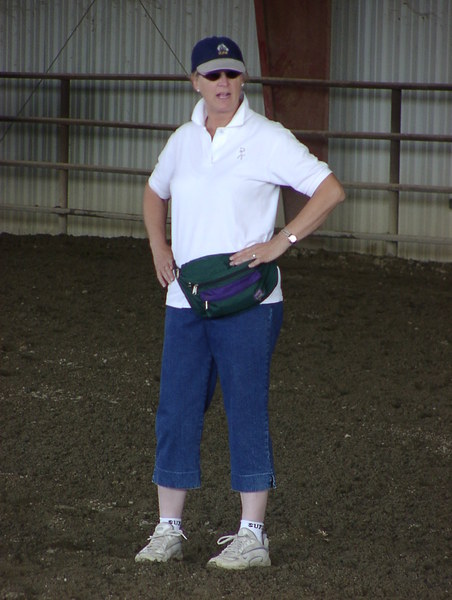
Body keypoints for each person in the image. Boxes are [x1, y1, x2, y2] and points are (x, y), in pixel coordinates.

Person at [135, 36, 345, 570]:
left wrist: (282, 241)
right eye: (213, 75)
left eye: (231, 74)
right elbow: (155, 191)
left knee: (245, 408)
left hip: (249, 301)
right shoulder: (183, 140)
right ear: (195, 82)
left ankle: (252, 536)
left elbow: (329, 190)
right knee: (176, 410)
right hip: (186, 300)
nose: (223, 83)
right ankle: (168, 529)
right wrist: (159, 245)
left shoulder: (268, 138)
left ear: (243, 79)